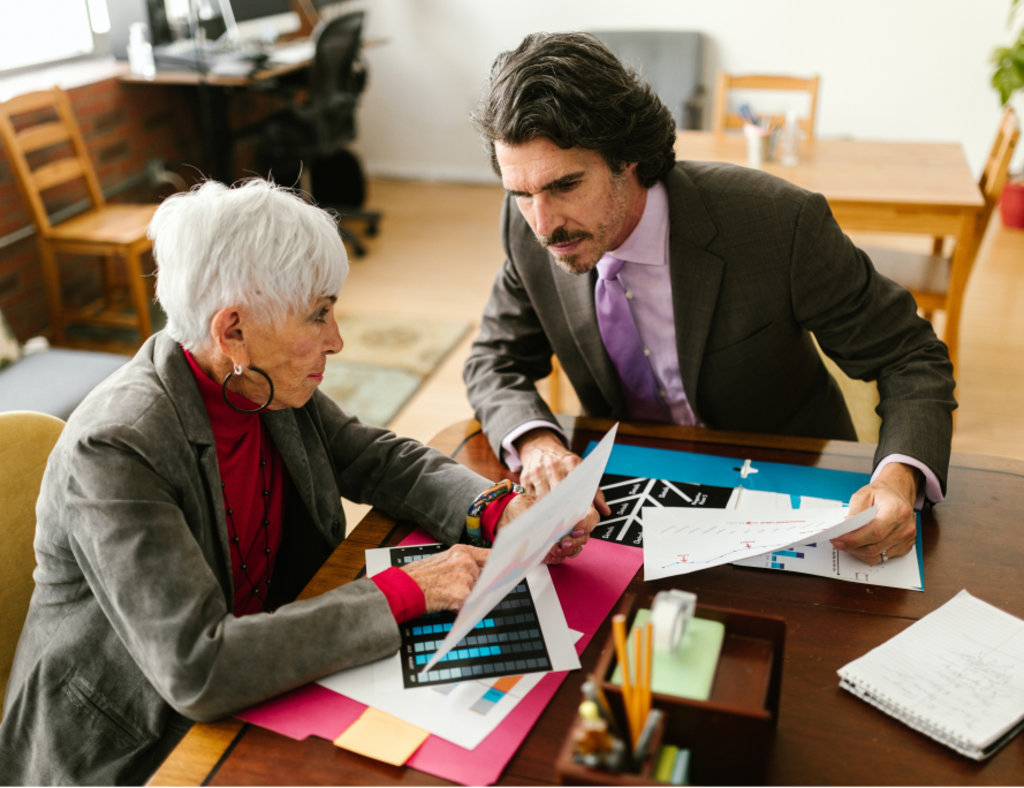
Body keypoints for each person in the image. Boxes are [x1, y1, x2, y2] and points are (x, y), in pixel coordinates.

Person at [0, 179, 597, 786]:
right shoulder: (117, 445)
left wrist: (496, 510)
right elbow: (197, 668)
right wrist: (404, 591)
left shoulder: (254, 380)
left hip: (260, 678)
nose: (337, 340)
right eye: (318, 314)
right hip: (134, 746)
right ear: (232, 330)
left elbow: (376, 458)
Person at [463, 32, 957, 569]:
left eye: (564, 186)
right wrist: (537, 442)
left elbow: (909, 356)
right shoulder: (528, 228)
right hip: (628, 500)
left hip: (792, 496)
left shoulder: (777, 224)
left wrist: (897, 479)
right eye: (521, 193)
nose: (542, 223)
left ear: (627, 158)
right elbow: (494, 359)